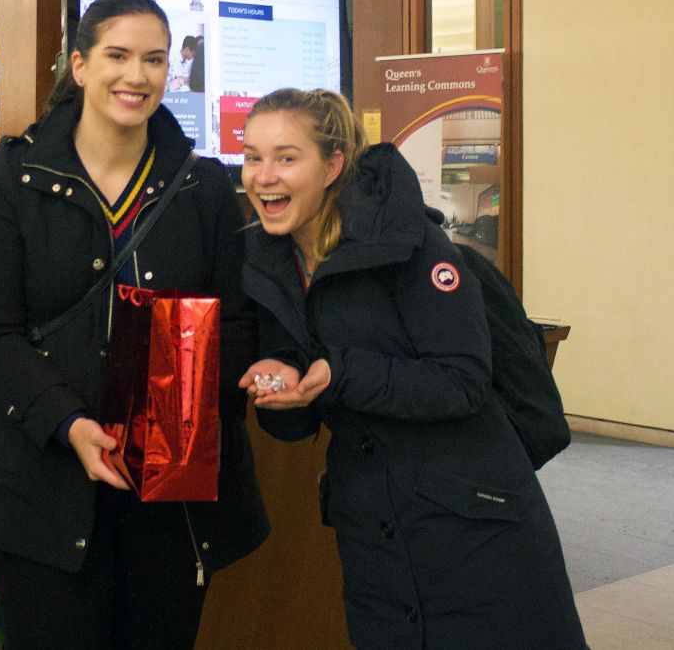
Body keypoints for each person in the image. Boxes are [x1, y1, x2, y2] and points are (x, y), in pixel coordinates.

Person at [0, 0, 268, 649]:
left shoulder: (201, 185)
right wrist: (66, 420)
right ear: (80, 64)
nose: (137, 75)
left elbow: (236, 322)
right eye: (117, 55)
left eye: (155, 59)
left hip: (167, 500)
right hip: (43, 483)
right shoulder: (18, 175)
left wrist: (182, 418)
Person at [237, 88, 586, 649]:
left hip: (473, 524)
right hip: (373, 527)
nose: (263, 175)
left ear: (332, 166)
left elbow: (460, 380)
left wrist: (340, 373)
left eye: (286, 157)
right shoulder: (269, 263)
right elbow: (299, 423)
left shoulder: (411, 246)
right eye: (253, 156)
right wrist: (281, 386)